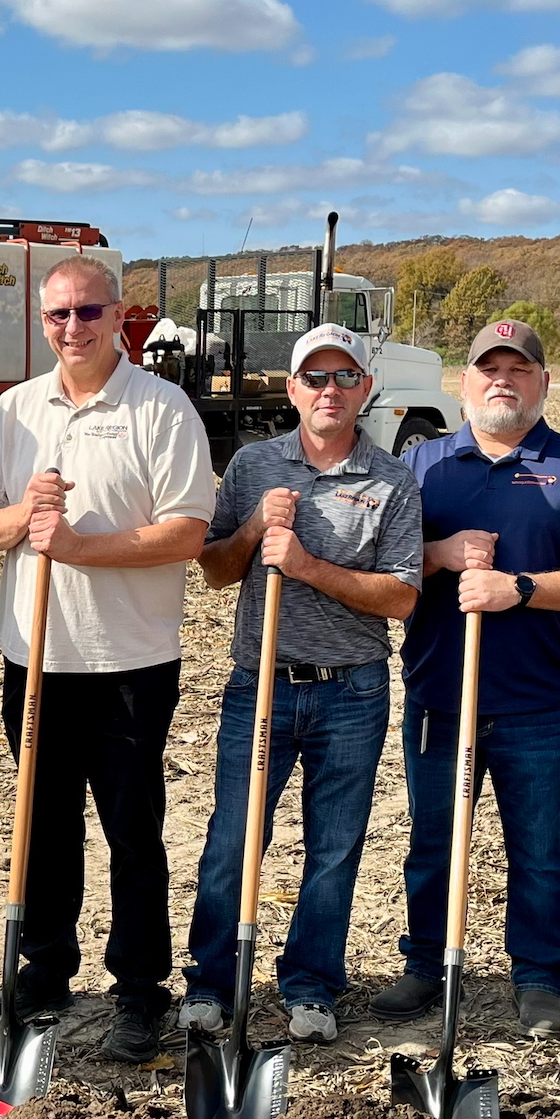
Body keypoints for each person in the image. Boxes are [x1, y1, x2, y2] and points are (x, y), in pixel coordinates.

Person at [0, 254, 216, 1064]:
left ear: (119, 317)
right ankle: (46, 968)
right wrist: (24, 519)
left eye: (87, 312)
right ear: (43, 322)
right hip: (33, 655)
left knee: (132, 830)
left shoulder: (162, 407)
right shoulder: (15, 410)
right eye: (57, 315)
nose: (72, 328)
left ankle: (140, 987)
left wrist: (74, 545)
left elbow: (186, 532)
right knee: (43, 823)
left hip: (130, 660)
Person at [183, 323, 421, 1043]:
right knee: (233, 840)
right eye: (315, 378)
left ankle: (311, 984)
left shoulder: (393, 480)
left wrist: (309, 565)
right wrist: (255, 529)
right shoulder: (255, 466)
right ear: (291, 390)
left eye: (345, 378)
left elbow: (403, 597)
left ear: (365, 390)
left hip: (351, 690)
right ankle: (210, 984)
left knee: (334, 846)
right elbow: (216, 569)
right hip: (259, 683)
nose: (330, 390)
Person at [384, 319, 560, 1038]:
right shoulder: (420, 466)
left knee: (540, 848)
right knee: (432, 840)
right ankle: (427, 962)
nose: (503, 381)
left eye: (519, 369)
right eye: (490, 368)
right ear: (464, 382)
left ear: (543, 384)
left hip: (536, 700)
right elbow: (385, 567)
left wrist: (516, 588)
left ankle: (539, 976)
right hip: (438, 693)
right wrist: (442, 553)